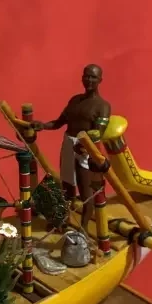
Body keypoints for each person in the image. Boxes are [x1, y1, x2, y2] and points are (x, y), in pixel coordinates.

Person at [30, 64, 111, 231]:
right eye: (86, 76)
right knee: (66, 185)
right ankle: (62, 220)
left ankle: (83, 229)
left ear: (100, 80)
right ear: (82, 77)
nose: (89, 80)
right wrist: (43, 125)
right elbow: (59, 123)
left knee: (86, 190)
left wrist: (84, 146)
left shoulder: (103, 106)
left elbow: (98, 132)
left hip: (85, 149)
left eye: (93, 77)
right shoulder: (75, 101)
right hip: (68, 144)